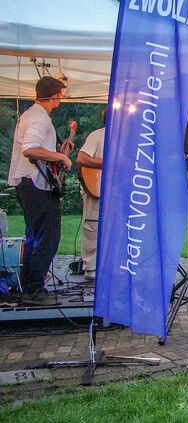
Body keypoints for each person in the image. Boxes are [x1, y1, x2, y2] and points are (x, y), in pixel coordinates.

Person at [7, 76, 72, 306]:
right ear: (54, 95)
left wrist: (58, 151)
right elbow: (29, 149)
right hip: (34, 185)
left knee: (35, 236)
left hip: (28, 184)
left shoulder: (31, 114)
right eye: (61, 96)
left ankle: (27, 285)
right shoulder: (40, 118)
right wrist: (60, 155)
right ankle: (34, 289)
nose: (61, 100)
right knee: (49, 236)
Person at [76, 108, 106, 281]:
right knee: (92, 227)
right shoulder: (97, 135)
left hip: (116, 191)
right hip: (96, 187)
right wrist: (107, 162)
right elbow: (82, 158)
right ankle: (91, 268)